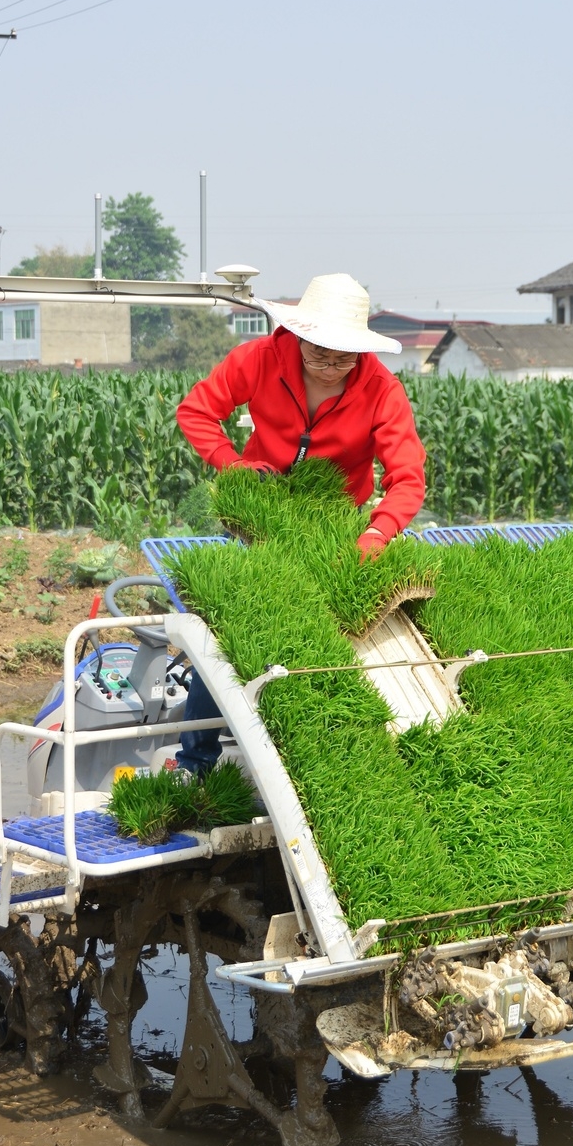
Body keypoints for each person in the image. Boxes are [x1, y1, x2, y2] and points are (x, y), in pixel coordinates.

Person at [170, 271, 427, 777]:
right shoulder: (258, 359)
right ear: (298, 336)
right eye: (319, 355)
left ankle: (313, 762)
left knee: (324, 637)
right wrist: (232, 464)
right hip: (257, 519)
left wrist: (378, 531)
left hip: (336, 527)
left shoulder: (381, 388)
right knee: (224, 631)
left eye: (343, 358)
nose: (330, 368)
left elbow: (408, 476)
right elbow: (196, 411)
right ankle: (195, 762)